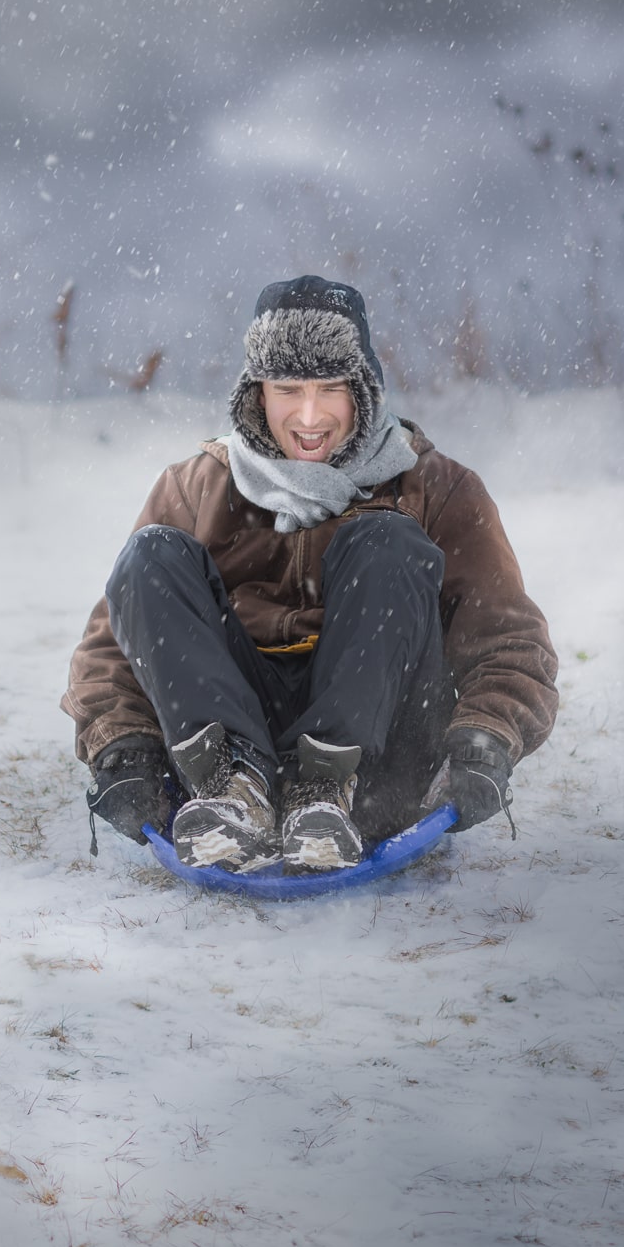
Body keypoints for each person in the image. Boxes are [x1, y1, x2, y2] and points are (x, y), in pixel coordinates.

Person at [63, 276, 558, 873]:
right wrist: (123, 748)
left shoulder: (437, 488)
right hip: (223, 745)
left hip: (378, 761)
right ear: (256, 394)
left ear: (364, 391)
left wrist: (485, 736)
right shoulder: (196, 486)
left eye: (331, 388)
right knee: (151, 555)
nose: (308, 414)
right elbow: (111, 650)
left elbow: (508, 639)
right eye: (287, 388)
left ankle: (324, 790)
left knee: (387, 539)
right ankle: (233, 785)